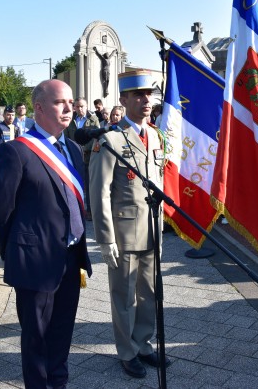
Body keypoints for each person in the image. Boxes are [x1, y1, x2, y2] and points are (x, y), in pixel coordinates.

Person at [0, 79, 92, 389]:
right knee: (37, 342)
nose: (70, 108)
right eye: (61, 102)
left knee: (61, 336)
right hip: (34, 265)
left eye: (71, 102)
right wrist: (18, 251)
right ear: (40, 108)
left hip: (70, 260)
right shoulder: (17, 152)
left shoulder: (72, 148)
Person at [89, 70, 169, 378]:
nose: (146, 99)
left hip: (151, 230)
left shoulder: (156, 136)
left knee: (149, 293)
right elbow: (99, 192)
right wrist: (105, 238)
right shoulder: (109, 141)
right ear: (123, 99)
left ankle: (143, 344)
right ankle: (126, 352)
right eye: (138, 94)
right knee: (123, 296)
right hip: (123, 233)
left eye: (149, 94)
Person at [64, 97, 100, 220]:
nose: (80, 109)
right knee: (73, 183)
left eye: (82, 106)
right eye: (78, 106)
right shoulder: (71, 119)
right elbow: (67, 136)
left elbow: (96, 136)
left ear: (86, 106)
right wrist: (75, 149)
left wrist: (84, 148)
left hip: (89, 157)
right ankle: (75, 209)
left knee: (89, 185)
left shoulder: (93, 119)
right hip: (73, 156)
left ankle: (89, 210)